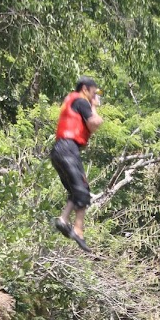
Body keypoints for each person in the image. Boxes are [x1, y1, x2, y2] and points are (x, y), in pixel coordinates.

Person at [51, 76, 103, 253]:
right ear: (85, 89)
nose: (94, 96)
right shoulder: (81, 101)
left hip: (59, 151)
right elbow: (95, 123)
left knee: (78, 189)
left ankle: (63, 220)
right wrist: (94, 107)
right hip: (67, 148)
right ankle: (78, 230)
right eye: (94, 92)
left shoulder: (73, 102)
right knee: (82, 189)